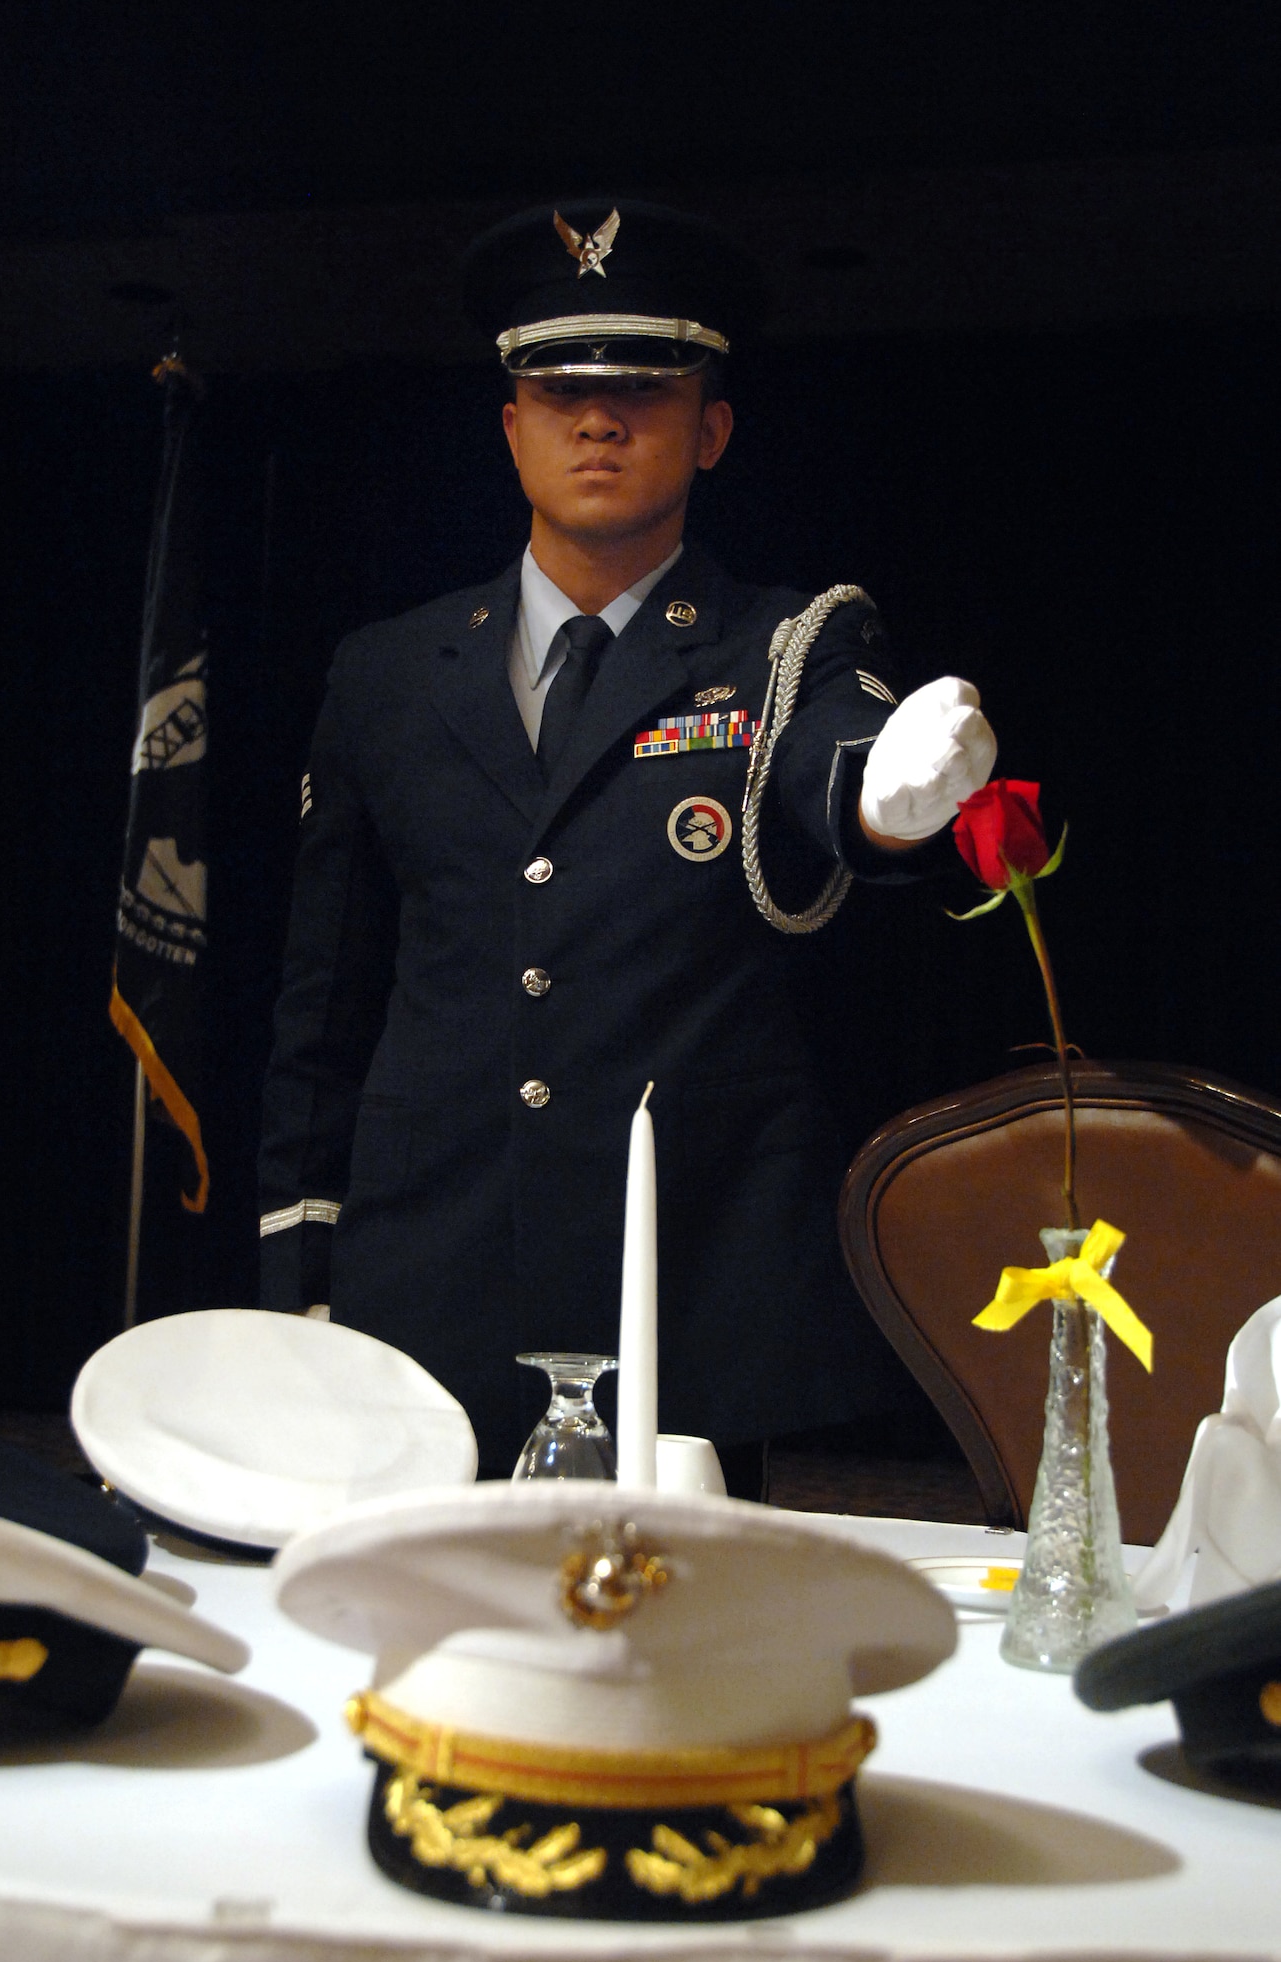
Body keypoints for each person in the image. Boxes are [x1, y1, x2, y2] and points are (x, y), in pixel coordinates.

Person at [258, 199, 996, 1480]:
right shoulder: (385, 672)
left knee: (690, 1658)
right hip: (429, 1279)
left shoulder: (787, 641)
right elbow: (326, 1001)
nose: (598, 418)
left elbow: (839, 764)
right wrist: (300, 1268)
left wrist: (885, 801)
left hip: (688, 1287)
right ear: (509, 425)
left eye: (645, 388)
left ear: (710, 428)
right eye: (556, 388)